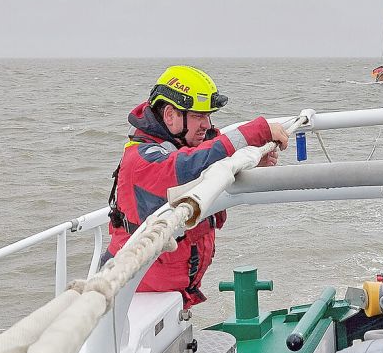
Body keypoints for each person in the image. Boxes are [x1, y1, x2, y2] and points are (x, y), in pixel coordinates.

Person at [105, 65, 288, 306]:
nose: (206, 124)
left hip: (165, 291)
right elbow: (186, 167)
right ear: (170, 115)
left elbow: (208, 158)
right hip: (132, 292)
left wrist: (250, 160)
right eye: (198, 116)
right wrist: (258, 131)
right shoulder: (142, 159)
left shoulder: (182, 144)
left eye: (208, 116)